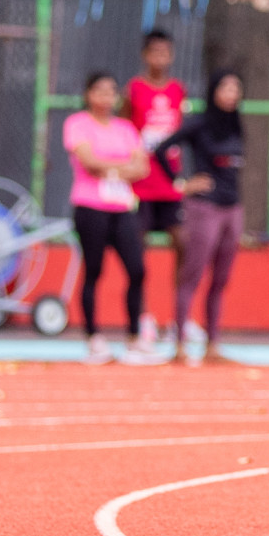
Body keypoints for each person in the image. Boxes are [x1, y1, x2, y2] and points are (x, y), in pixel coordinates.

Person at [64, 72, 161, 365]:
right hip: (90, 206)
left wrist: (111, 170)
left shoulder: (126, 128)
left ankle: (134, 337)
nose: (107, 97)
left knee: (137, 270)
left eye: (112, 91)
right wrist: (122, 166)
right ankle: (93, 337)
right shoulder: (77, 124)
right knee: (94, 270)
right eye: (100, 91)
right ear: (88, 95)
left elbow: (142, 167)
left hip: (122, 207)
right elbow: (89, 162)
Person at [155, 71, 245, 364]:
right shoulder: (200, 124)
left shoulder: (236, 126)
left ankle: (213, 345)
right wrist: (181, 183)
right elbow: (161, 149)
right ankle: (179, 344)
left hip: (233, 208)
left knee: (221, 279)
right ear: (213, 91)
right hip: (205, 208)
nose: (231, 93)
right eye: (225, 87)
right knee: (192, 274)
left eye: (236, 88)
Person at [123, 28, 186, 342]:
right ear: (145, 55)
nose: (160, 58)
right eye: (155, 52)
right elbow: (124, 131)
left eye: (166, 52)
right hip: (141, 186)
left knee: (184, 245)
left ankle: (179, 318)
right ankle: (143, 316)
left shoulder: (177, 90)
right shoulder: (133, 89)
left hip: (171, 187)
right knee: (138, 253)